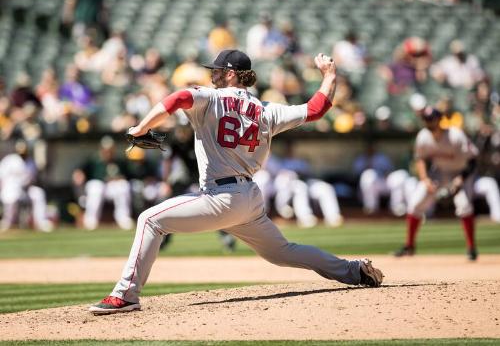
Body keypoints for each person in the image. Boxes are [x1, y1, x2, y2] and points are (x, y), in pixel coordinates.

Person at [89, 49, 383, 315]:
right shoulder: (268, 109)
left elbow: (178, 98)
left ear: (230, 73)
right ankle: (353, 271)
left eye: (217, 70)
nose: (212, 74)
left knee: (150, 220)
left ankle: (126, 294)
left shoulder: (210, 98)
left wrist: (140, 128)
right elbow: (317, 108)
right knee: (282, 252)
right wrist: (330, 75)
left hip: (221, 195)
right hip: (249, 198)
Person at [394, 106, 479, 260]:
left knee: (464, 205)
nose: (428, 122)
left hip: (461, 173)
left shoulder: (455, 135)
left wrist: (461, 179)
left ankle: (471, 248)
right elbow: (420, 159)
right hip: (439, 172)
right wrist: (425, 179)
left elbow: (473, 160)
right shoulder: (423, 136)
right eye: (426, 119)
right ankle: (409, 246)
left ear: (440, 119)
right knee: (415, 204)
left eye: (431, 118)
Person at [72, 136, 134, 230]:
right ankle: (91, 220)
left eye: (110, 149)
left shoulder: (119, 161)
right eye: (106, 149)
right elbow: (80, 172)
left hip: (112, 188)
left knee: (123, 186)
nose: (108, 152)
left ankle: (123, 218)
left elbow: (126, 176)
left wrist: (117, 179)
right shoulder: (93, 160)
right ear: (101, 149)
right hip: (97, 186)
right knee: (97, 187)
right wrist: (79, 174)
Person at [0, 141, 53, 232]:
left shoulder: (31, 162)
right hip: (9, 189)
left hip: (24, 190)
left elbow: (32, 180)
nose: (22, 155)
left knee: (38, 193)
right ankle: (7, 222)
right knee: (12, 195)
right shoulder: (10, 160)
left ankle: (41, 222)